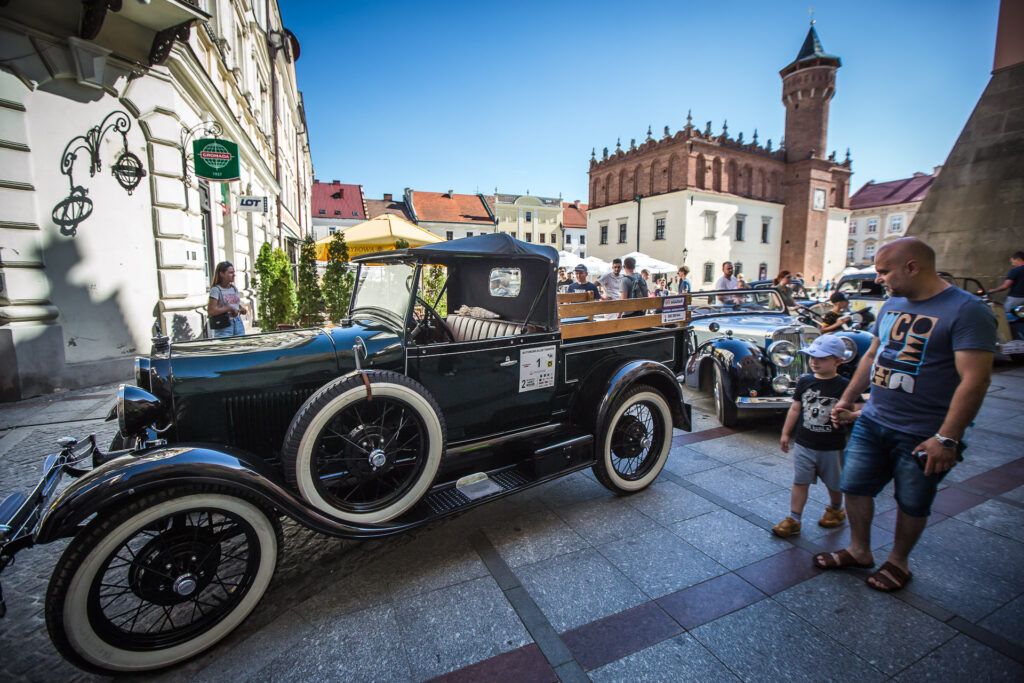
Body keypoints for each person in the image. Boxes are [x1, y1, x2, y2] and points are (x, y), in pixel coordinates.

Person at [819, 237, 996, 592]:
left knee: (912, 502)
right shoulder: (892, 304)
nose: (879, 278)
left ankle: (898, 561)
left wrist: (947, 438)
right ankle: (859, 549)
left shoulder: (967, 310)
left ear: (912, 267)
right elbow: (872, 356)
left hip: (925, 431)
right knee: (853, 486)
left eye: (885, 271)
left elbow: (975, 380)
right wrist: (848, 399)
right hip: (873, 419)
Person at [773, 335, 851, 538]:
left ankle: (836, 508)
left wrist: (850, 415)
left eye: (822, 358)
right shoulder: (805, 381)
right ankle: (794, 518)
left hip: (832, 446)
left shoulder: (844, 385)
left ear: (838, 361)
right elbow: (795, 409)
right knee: (800, 481)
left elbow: (858, 406)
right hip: (805, 443)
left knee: (834, 483)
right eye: (811, 357)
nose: (814, 362)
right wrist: (785, 433)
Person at [986, 251, 1024, 338]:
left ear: (1018, 259)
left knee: (1007, 319)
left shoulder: (1015, 270)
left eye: (1012, 261)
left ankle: (1011, 339)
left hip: (1015, 299)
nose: (1012, 263)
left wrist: (993, 290)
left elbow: (1006, 286)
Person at [208, 261, 247, 338]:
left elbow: (234, 303)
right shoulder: (216, 290)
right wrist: (230, 309)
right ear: (221, 274)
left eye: (234, 272)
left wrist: (241, 308)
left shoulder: (233, 288)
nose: (234, 275)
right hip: (224, 325)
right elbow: (211, 310)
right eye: (230, 273)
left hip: (238, 323)